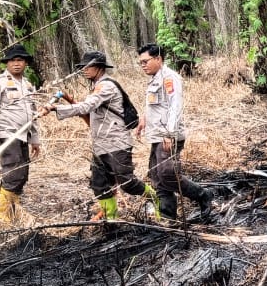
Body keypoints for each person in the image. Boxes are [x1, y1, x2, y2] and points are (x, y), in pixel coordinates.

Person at [39, 51, 158, 221]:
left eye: (89, 66)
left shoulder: (106, 86)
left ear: (100, 68)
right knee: (100, 185)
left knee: (128, 183)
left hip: (117, 144)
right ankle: (111, 220)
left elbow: (86, 107)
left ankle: (157, 199)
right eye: (83, 67)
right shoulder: (97, 86)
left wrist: (55, 108)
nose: (85, 70)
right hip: (100, 145)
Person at [136, 43, 214, 221]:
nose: (143, 65)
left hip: (167, 136)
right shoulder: (154, 79)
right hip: (157, 135)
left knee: (168, 174)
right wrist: (144, 119)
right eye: (140, 62)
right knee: (157, 176)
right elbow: (158, 105)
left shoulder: (170, 78)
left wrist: (169, 133)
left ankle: (202, 195)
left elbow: (175, 106)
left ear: (158, 58)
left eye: (145, 61)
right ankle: (168, 216)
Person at [0, 43, 42, 224]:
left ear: (26, 63)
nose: (16, 64)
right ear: (7, 63)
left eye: (20, 60)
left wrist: (35, 139)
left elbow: (32, 113)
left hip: (23, 135)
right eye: (13, 60)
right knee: (13, 174)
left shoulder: (27, 85)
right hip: (7, 134)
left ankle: (12, 211)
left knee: (22, 174)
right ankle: (1, 216)